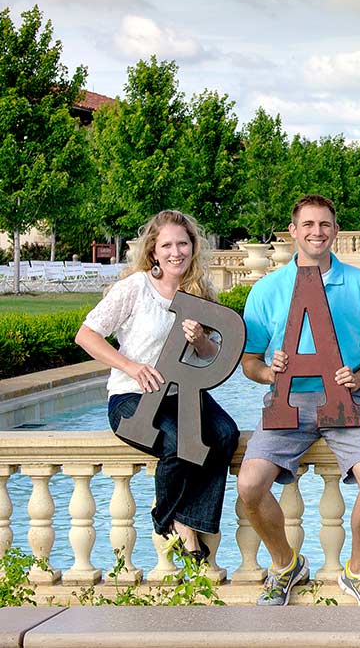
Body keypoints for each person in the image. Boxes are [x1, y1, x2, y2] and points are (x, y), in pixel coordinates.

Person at [236, 195, 360, 607]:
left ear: (336, 231)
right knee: (249, 484)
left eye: (324, 224)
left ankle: (357, 573)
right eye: (308, 224)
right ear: (293, 231)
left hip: (348, 398)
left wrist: (358, 378)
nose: (316, 232)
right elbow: (249, 361)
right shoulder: (267, 289)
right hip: (287, 400)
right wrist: (270, 373)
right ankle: (286, 565)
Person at [75, 210, 239, 563]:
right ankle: (171, 521)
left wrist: (199, 340)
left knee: (225, 434)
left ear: (193, 247)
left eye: (183, 244)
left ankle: (190, 517)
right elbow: (86, 335)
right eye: (167, 245)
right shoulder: (135, 287)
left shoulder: (199, 292)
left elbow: (210, 352)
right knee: (178, 443)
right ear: (153, 250)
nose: (176, 252)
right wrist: (132, 367)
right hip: (133, 397)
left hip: (182, 396)